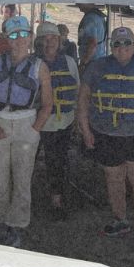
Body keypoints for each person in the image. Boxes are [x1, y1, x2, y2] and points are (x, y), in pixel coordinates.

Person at [77, 26, 134, 251]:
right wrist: (86, 130)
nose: (122, 49)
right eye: (117, 44)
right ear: (111, 47)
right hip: (107, 135)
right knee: (114, 179)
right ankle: (120, 220)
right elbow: (83, 99)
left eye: (127, 43)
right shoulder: (98, 67)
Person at [0, 14, 52, 247]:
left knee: (22, 178)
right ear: (7, 39)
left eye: (23, 34)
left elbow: (48, 102)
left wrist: (35, 129)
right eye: (13, 35)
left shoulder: (40, 67)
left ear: (30, 37)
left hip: (26, 124)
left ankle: (17, 225)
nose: (19, 40)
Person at [34, 20, 79, 219]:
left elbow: (77, 90)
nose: (49, 42)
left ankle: (58, 200)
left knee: (58, 161)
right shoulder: (31, 63)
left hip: (64, 121)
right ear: (38, 42)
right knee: (29, 161)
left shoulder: (69, 62)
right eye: (45, 38)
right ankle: (27, 198)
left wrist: (78, 120)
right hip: (37, 122)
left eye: (53, 38)